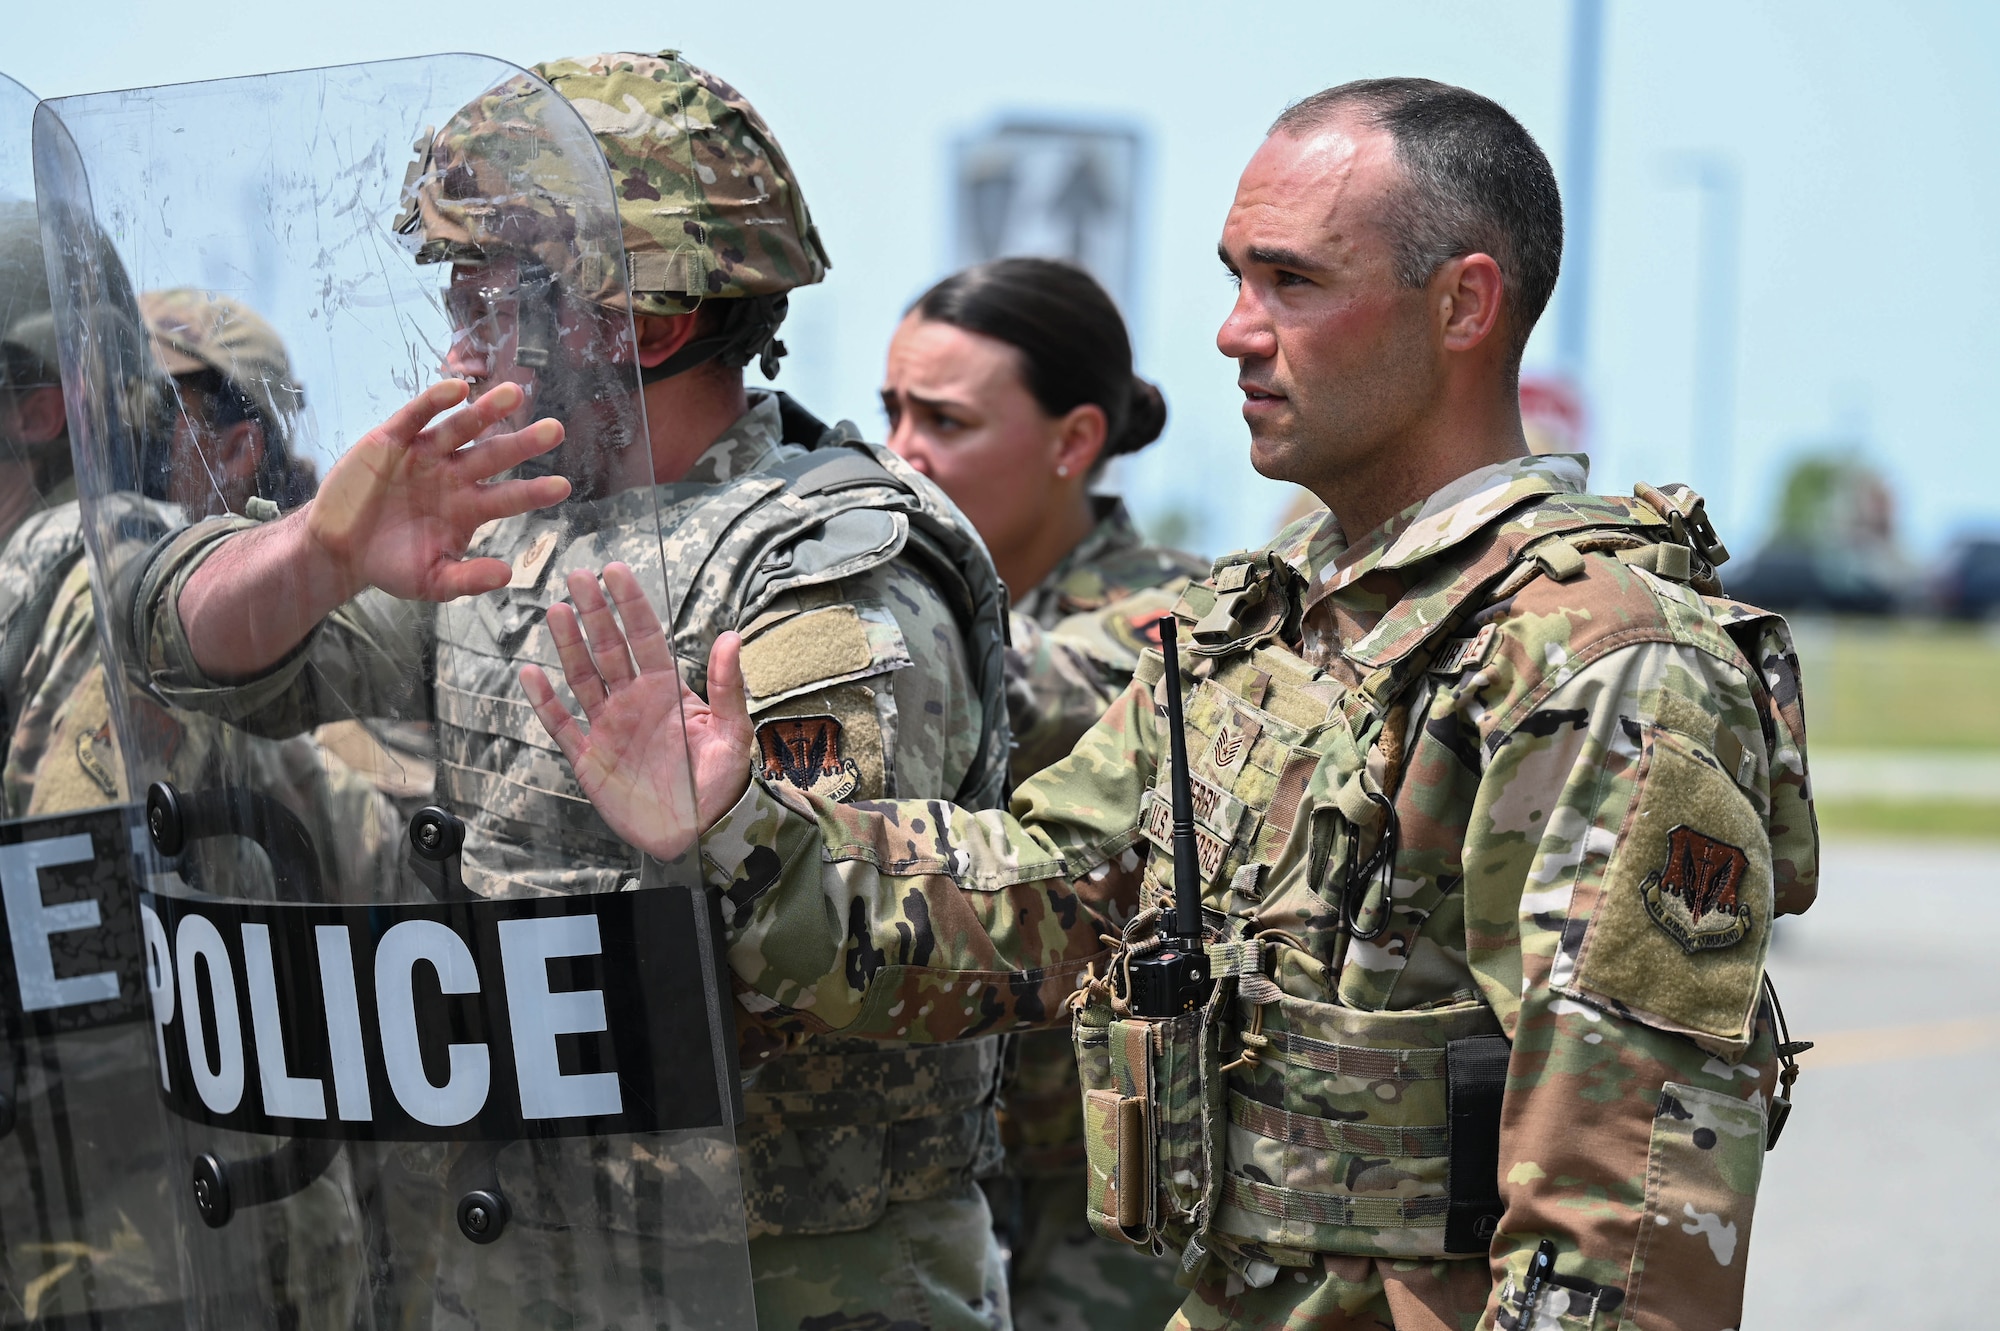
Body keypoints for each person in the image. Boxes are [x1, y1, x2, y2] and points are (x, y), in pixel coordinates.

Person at [525, 78, 1819, 1331]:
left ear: (1463, 304)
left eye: (1294, 281)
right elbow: (1043, 896)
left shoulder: (1600, 657)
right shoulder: (1253, 621)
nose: (1233, 330)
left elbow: (1630, 1184)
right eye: (1234, 275)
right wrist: (745, 826)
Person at [125, 51, 1015, 1331]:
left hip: (788, 1279)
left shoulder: (829, 567)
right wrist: (316, 552)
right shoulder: (519, 521)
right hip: (527, 1253)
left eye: (489, 298)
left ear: (643, 324)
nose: (457, 341)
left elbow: (836, 934)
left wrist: (708, 824)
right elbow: (190, 648)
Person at [881, 256, 1202, 1329]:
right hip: (919, 1198)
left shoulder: (1179, 615)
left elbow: (1038, 688)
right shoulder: (908, 603)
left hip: (1097, 1228)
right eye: (890, 411)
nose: (900, 453)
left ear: (1072, 441)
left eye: (944, 420)